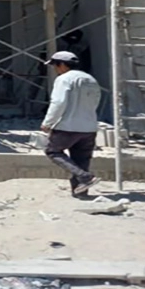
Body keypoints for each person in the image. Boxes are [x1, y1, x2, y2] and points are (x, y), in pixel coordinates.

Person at [41, 51, 101, 197]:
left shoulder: (64, 79)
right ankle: (80, 191)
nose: (55, 69)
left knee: (53, 151)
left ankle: (85, 177)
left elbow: (58, 102)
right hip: (89, 127)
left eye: (55, 65)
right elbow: (95, 101)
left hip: (67, 126)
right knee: (81, 159)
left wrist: (48, 122)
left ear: (62, 64)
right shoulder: (91, 79)